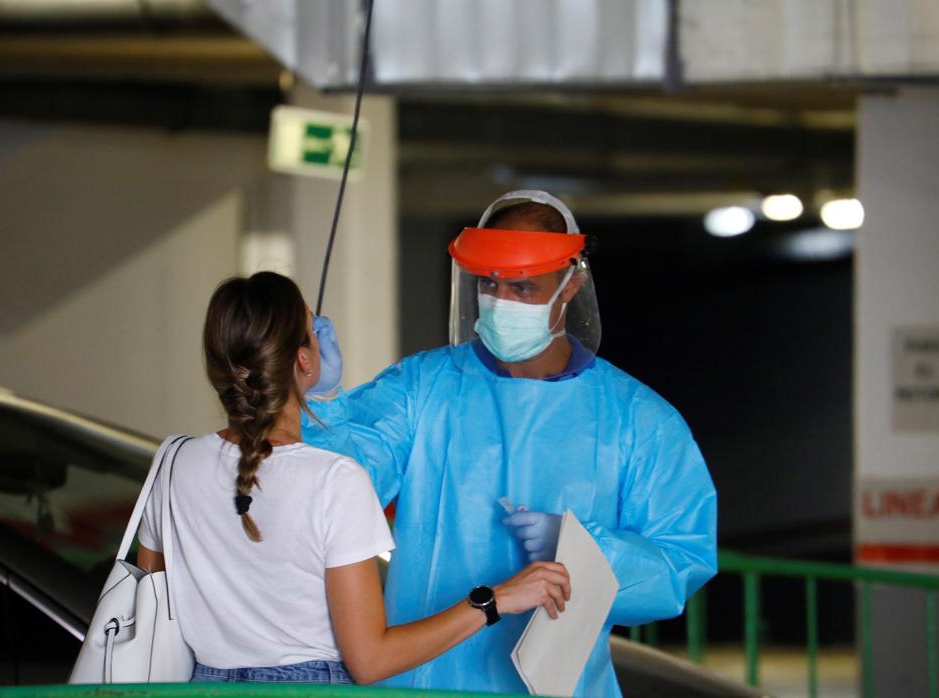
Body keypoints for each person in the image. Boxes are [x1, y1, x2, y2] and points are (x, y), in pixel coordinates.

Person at [304, 191, 718, 696]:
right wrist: (321, 403)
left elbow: (679, 564)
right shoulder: (420, 388)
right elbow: (334, 491)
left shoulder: (638, 420)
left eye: (522, 287)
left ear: (571, 284)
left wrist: (585, 552)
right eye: (490, 284)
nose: (501, 303)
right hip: (420, 681)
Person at [134, 271, 570, 685]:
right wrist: (495, 601)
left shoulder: (173, 463)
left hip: (201, 687)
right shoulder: (336, 479)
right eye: (312, 328)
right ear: (305, 361)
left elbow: (149, 603)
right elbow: (370, 660)